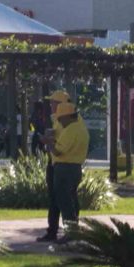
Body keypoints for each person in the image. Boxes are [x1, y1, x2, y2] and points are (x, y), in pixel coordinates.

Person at [43, 91, 87, 241]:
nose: (51, 105)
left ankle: (71, 231)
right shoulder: (65, 121)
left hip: (65, 165)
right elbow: (59, 135)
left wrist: (49, 143)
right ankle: (56, 231)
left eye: (53, 102)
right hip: (59, 163)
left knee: (65, 200)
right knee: (60, 198)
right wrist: (52, 134)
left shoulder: (71, 126)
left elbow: (60, 149)